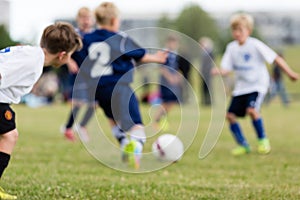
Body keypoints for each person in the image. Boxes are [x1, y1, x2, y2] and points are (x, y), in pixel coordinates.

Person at [78, 2, 167, 169]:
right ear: (113, 20)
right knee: (136, 125)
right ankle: (136, 149)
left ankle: (125, 142)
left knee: (113, 119)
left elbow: (80, 60)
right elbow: (140, 55)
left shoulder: (86, 39)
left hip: (99, 90)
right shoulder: (119, 39)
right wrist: (157, 58)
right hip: (120, 87)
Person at [0, 22, 82, 199]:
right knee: (9, 135)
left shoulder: (30, 54)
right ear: (62, 56)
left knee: (8, 133)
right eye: (70, 55)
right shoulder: (32, 62)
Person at [215, 13, 298, 156]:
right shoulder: (231, 48)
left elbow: (276, 58)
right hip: (241, 88)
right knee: (230, 115)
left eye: (241, 30)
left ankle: (263, 140)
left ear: (248, 30)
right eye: (234, 30)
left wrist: (290, 73)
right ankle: (244, 145)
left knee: (252, 110)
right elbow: (226, 68)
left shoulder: (255, 44)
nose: (237, 33)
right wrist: (219, 71)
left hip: (258, 85)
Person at [61, 7, 96, 142]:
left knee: (94, 103)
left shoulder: (95, 36)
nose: (85, 21)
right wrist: (70, 62)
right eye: (83, 18)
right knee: (78, 103)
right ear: (78, 19)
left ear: (92, 20)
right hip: (78, 75)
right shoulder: (74, 35)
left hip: (92, 75)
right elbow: (65, 52)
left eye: (88, 18)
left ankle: (82, 126)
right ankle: (68, 128)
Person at [154, 35, 182, 132]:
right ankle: (156, 120)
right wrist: (170, 77)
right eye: (172, 42)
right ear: (168, 43)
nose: (174, 45)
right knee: (166, 102)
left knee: (172, 102)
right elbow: (162, 68)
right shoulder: (164, 53)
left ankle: (161, 119)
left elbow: (177, 68)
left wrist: (178, 77)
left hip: (173, 83)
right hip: (165, 83)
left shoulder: (175, 54)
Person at [199, 37, 215, 106]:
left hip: (208, 73)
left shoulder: (210, 53)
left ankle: (209, 101)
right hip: (203, 73)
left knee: (209, 87)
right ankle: (204, 101)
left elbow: (211, 63)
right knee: (203, 87)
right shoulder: (203, 53)